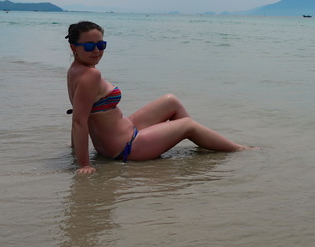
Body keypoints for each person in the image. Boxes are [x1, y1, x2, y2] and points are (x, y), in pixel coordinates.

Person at [66, 21, 252, 175]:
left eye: (101, 45)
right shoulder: (91, 75)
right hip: (126, 148)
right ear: (74, 47)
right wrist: (84, 164)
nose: (96, 50)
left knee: (171, 101)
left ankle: (199, 141)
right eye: (89, 46)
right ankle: (239, 149)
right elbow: (79, 121)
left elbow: (79, 111)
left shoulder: (75, 70)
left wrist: (74, 148)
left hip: (122, 135)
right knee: (188, 124)